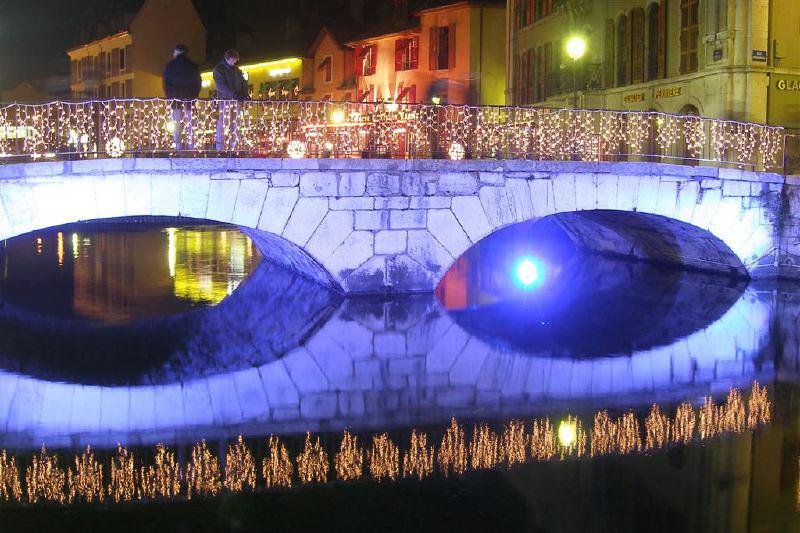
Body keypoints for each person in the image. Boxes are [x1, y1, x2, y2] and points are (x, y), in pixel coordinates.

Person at [162, 44, 201, 151]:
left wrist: (170, 96)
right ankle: (191, 145)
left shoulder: (170, 65)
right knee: (190, 123)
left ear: (176, 52)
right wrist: (194, 94)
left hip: (175, 99)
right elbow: (198, 82)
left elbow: (166, 83)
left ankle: (177, 146)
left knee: (176, 123)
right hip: (190, 99)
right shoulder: (193, 66)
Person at [213, 49, 250, 152]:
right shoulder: (219, 70)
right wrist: (233, 94)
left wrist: (244, 93)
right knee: (223, 123)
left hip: (236, 100)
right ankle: (220, 149)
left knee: (235, 123)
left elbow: (243, 82)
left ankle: (234, 147)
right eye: (234, 60)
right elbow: (221, 86)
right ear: (229, 58)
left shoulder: (237, 70)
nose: (235, 62)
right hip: (225, 100)